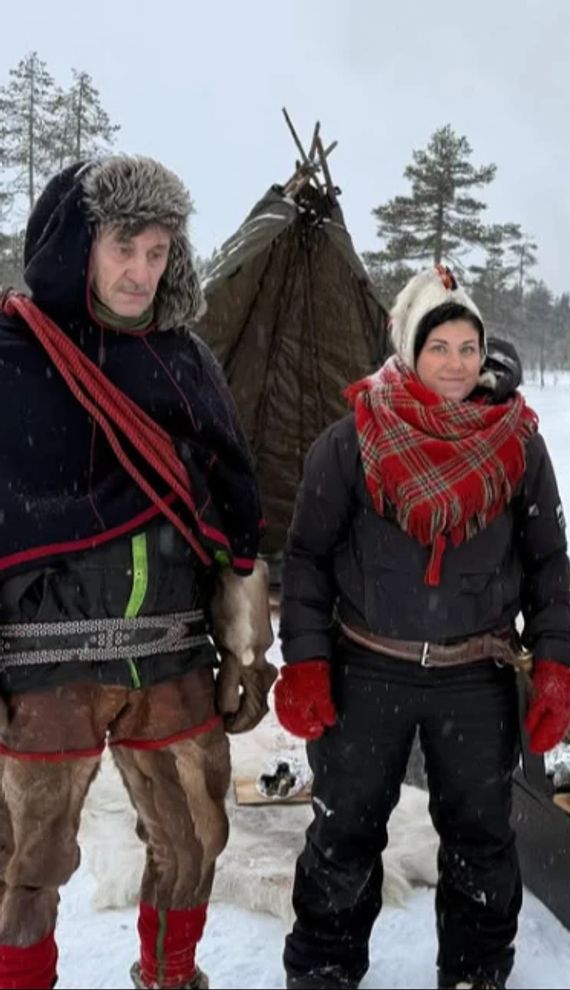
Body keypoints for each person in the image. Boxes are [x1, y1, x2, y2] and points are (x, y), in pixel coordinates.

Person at [0, 156, 277, 990]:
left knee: (194, 837)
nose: (141, 272)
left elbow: (231, 513)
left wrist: (244, 647)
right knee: (24, 856)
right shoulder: (14, 356)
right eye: (125, 247)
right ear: (81, 244)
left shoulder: (181, 358)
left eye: (159, 252)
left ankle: (171, 975)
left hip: (170, 648)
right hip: (43, 655)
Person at [274, 265, 570, 990]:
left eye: (468, 346)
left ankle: (476, 971)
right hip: (367, 669)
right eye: (438, 346)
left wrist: (554, 663)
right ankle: (324, 966)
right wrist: (307, 661)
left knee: (481, 837)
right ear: (411, 351)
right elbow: (308, 560)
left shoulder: (518, 444)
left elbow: (547, 564)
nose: (455, 362)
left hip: (475, 674)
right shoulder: (351, 442)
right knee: (344, 831)